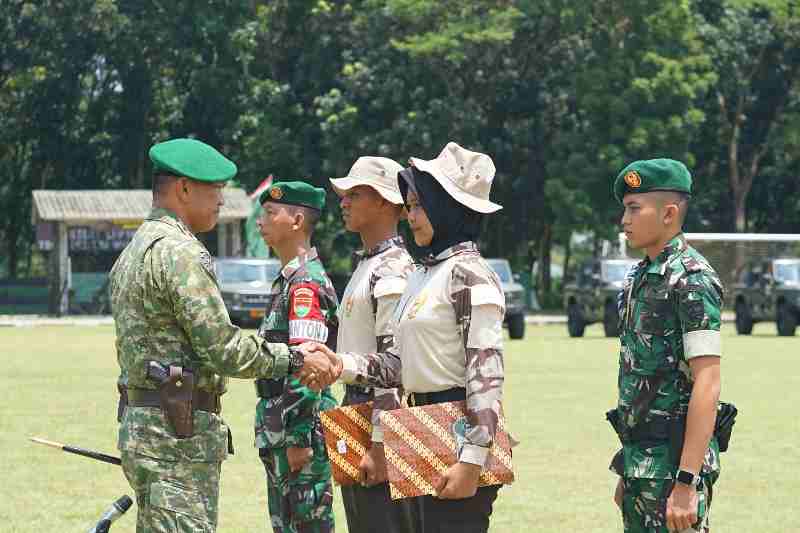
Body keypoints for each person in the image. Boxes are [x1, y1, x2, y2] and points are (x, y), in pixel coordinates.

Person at [111, 138, 323, 533]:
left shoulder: (135, 248)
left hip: (145, 425)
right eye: (216, 189)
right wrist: (295, 357)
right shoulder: (181, 253)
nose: (222, 200)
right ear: (184, 189)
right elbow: (223, 348)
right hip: (177, 434)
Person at [302, 142, 508, 533]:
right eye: (410, 204)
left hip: (455, 429)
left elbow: (486, 373)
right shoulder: (425, 273)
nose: (410, 215)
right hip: (419, 426)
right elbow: (397, 363)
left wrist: (473, 458)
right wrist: (339, 365)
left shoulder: (470, 273)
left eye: (418, 205)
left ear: (450, 207)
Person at [608, 159, 724, 532]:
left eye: (633, 208)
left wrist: (687, 482)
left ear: (669, 213)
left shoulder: (692, 279)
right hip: (642, 464)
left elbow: (708, 382)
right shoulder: (639, 278)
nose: (624, 220)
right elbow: (642, 383)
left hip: (676, 468)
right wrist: (629, 466)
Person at [329, 156, 420, 533]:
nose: (343, 202)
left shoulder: (392, 269)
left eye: (355, 193)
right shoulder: (369, 264)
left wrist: (382, 445)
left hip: (377, 419)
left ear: (385, 202)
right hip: (356, 409)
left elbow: (392, 368)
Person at [254, 181, 338, 533]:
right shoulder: (288, 281)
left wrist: (299, 438)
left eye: (271, 213)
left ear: (297, 220)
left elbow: (309, 368)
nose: (261, 221)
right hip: (281, 431)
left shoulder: (305, 284)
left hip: (299, 432)